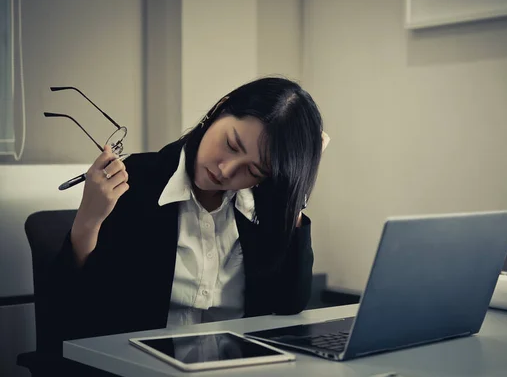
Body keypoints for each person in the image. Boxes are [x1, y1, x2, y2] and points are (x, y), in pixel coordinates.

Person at [48, 77, 328, 355]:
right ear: (220, 109)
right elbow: (80, 313)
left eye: (253, 171)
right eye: (231, 144)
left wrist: (294, 193)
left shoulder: (263, 205)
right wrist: (89, 218)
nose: (226, 170)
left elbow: (290, 302)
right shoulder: (136, 182)